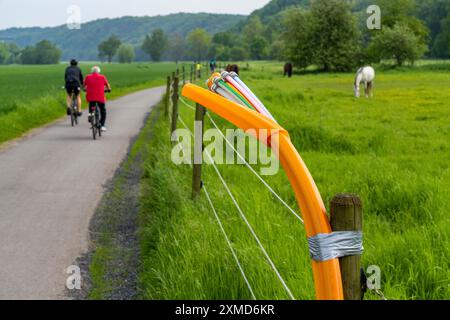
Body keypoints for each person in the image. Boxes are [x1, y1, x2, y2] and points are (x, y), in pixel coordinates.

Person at [83, 66, 111, 132]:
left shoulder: (87, 77)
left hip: (91, 96)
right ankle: (102, 125)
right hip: (100, 97)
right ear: (99, 71)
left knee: (91, 104)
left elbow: (84, 85)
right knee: (103, 111)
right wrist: (109, 89)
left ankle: (90, 114)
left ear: (92, 71)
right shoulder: (102, 77)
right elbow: (107, 85)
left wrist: (85, 89)